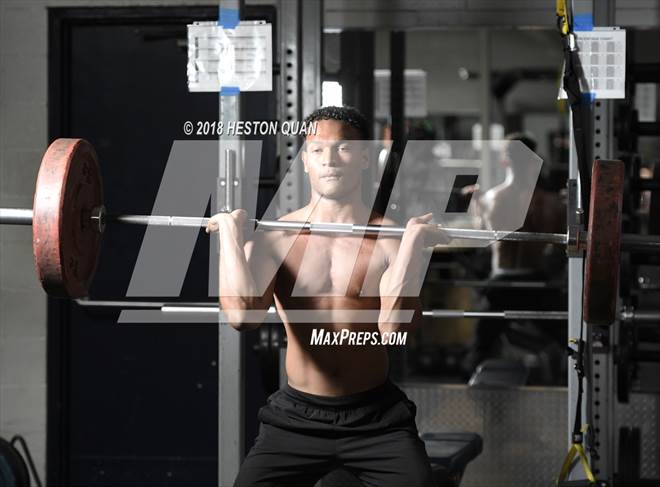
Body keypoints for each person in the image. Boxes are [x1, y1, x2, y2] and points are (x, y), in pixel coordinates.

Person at [206, 106, 446, 487]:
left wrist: (413, 246)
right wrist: (231, 238)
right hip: (297, 416)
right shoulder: (274, 237)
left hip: (376, 417)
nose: (329, 159)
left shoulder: (391, 239)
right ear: (305, 160)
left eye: (343, 148)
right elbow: (242, 318)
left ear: (365, 157)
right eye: (317, 150)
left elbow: (392, 329)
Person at [463, 133, 567, 380]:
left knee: (479, 347)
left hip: (502, 285)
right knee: (568, 337)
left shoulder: (491, 200)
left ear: (504, 161)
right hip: (536, 284)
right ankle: (572, 376)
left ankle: (468, 380)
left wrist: (473, 205)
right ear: (533, 160)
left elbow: (479, 239)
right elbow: (562, 247)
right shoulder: (552, 203)